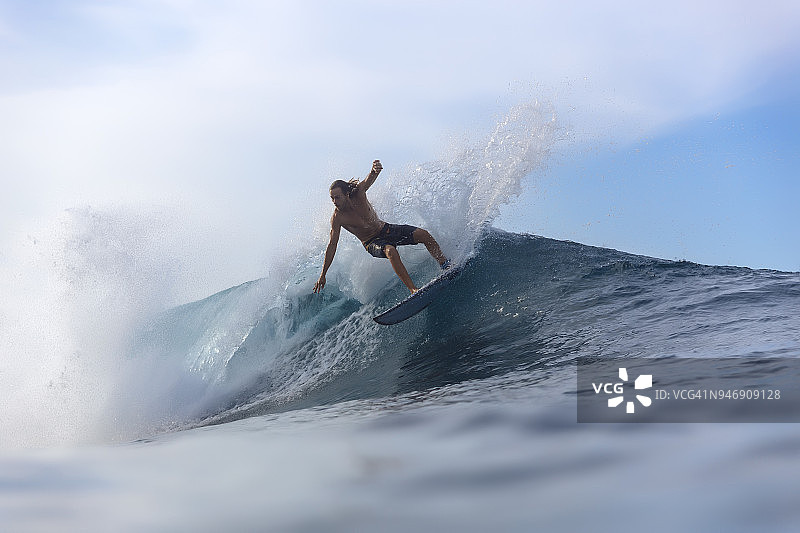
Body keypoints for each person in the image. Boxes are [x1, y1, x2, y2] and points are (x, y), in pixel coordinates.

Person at [313, 160, 449, 295]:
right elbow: (332, 244)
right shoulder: (337, 218)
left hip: (386, 229)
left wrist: (374, 170)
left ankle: (445, 265)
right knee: (390, 251)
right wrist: (323, 274)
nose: (335, 202)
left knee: (423, 234)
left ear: (346, 194)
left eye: (337, 197)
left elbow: (369, 179)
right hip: (371, 242)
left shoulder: (359, 194)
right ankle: (413, 290)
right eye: (332, 198)